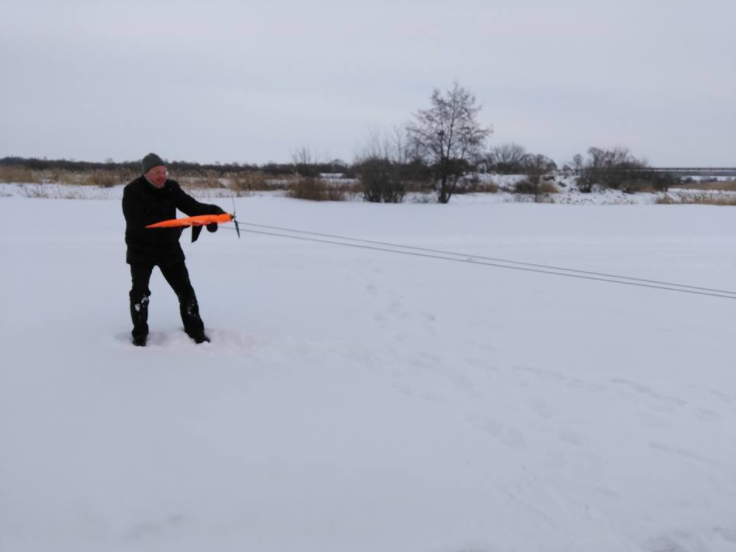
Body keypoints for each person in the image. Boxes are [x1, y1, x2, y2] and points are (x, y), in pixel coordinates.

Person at [122, 153, 225, 346]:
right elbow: (138, 224)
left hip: (169, 249)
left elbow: (191, 206)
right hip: (141, 251)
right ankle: (139, 335)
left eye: (164, 172)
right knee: (140, 293)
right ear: (146, 173)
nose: (162, 176)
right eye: (157, 172)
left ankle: (196, 331)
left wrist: (213, 212)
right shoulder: (132, 191)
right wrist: (179, 226)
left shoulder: (171, 187)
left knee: (186, 291)